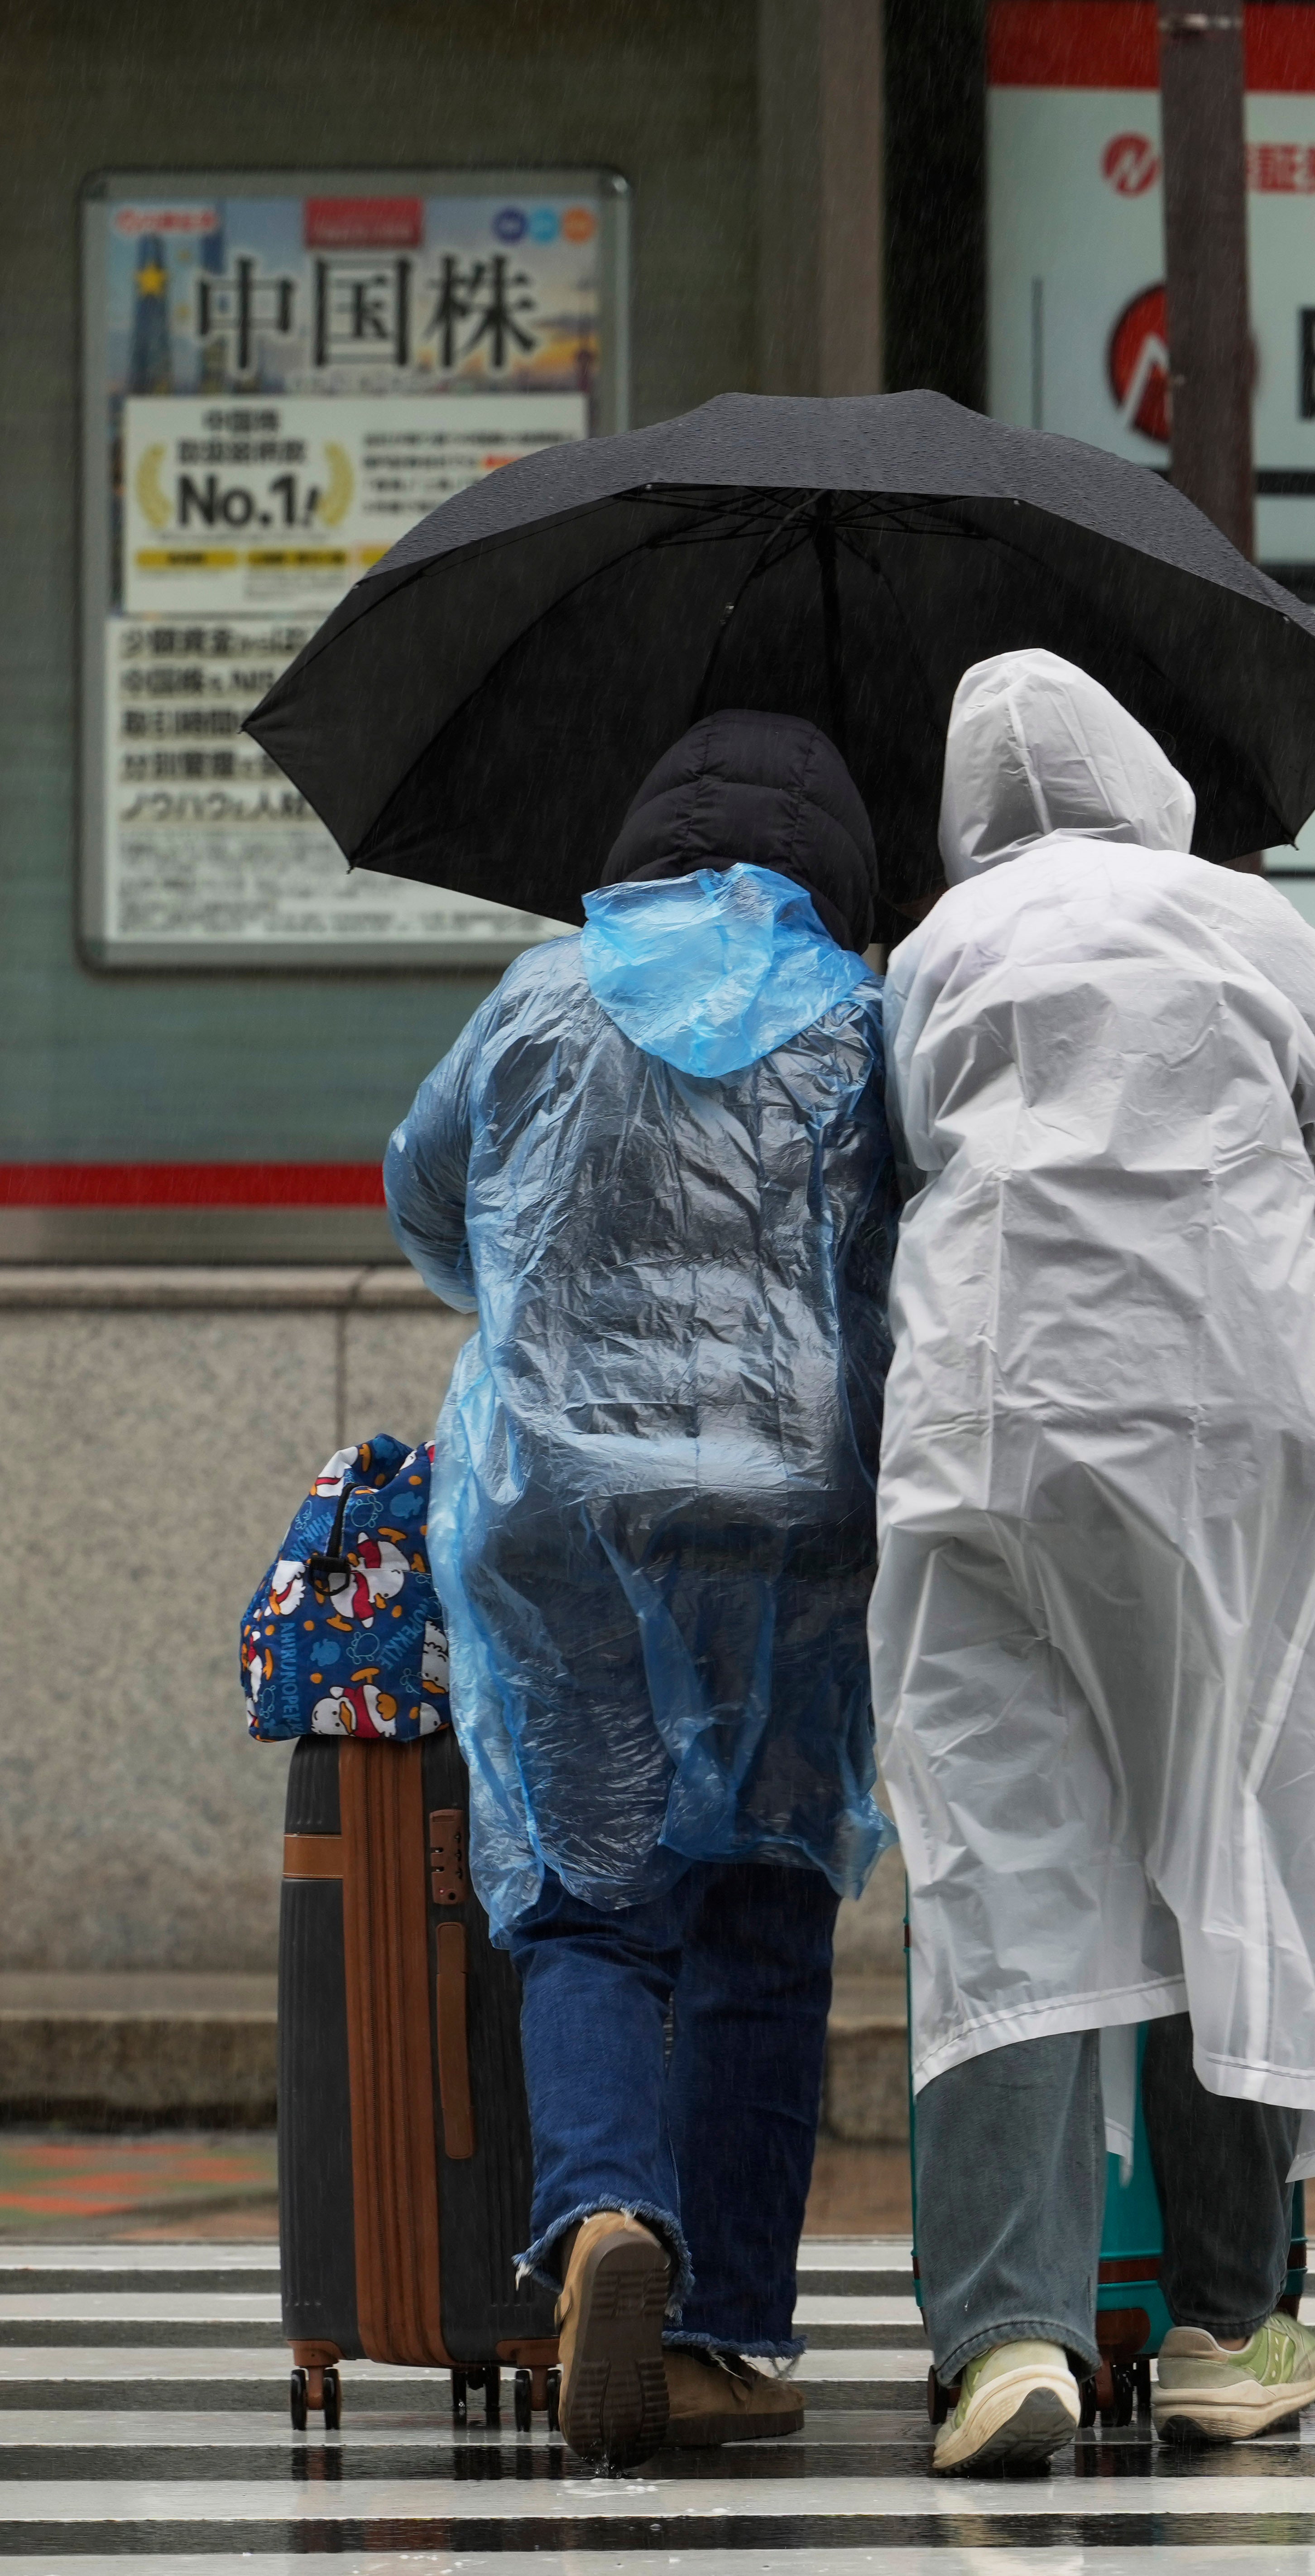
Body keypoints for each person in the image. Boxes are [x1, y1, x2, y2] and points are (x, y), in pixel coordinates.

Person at [875, 649, 1315, 2475]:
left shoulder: (930, 956)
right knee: (1240, 1833)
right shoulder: (1238, 919)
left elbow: (912, 1162)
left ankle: (1006, 2339)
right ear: (1146, 772)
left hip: (986, 1424)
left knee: (997, 1852)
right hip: (1238, 1432)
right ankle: (1227, 2322)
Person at [384, 711, 899, 2464]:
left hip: (559, 1523)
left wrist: (537, 1313)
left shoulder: (540, 997)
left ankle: (604, 2210)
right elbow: (904, 1252)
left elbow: (426, 1191)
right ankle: (724, 2333)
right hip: (791, 1534)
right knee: (764, 1906)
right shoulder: (861, 1023)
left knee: (588, 1903)